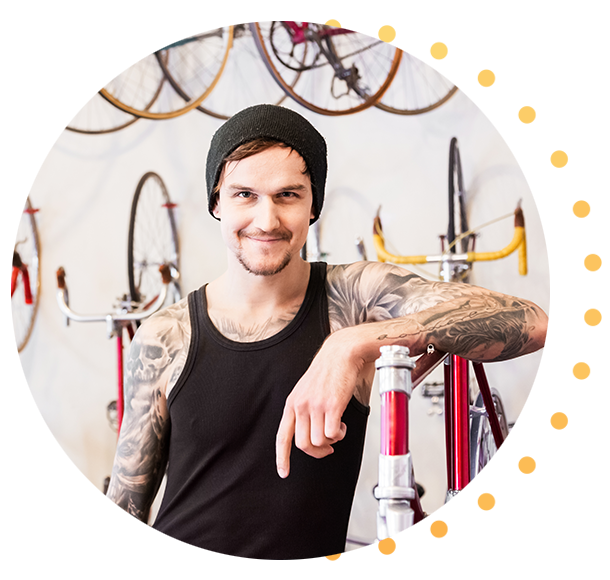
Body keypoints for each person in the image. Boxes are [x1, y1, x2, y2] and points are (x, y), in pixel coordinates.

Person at [105, 104, 548, 560]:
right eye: (244, 195)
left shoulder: (352, 299)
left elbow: (531, 323)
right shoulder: (165, 336)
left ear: (313, 204)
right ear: (216, 201)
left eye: (288, 195)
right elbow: (123, 512)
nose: (266, 220)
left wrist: (350, 343)